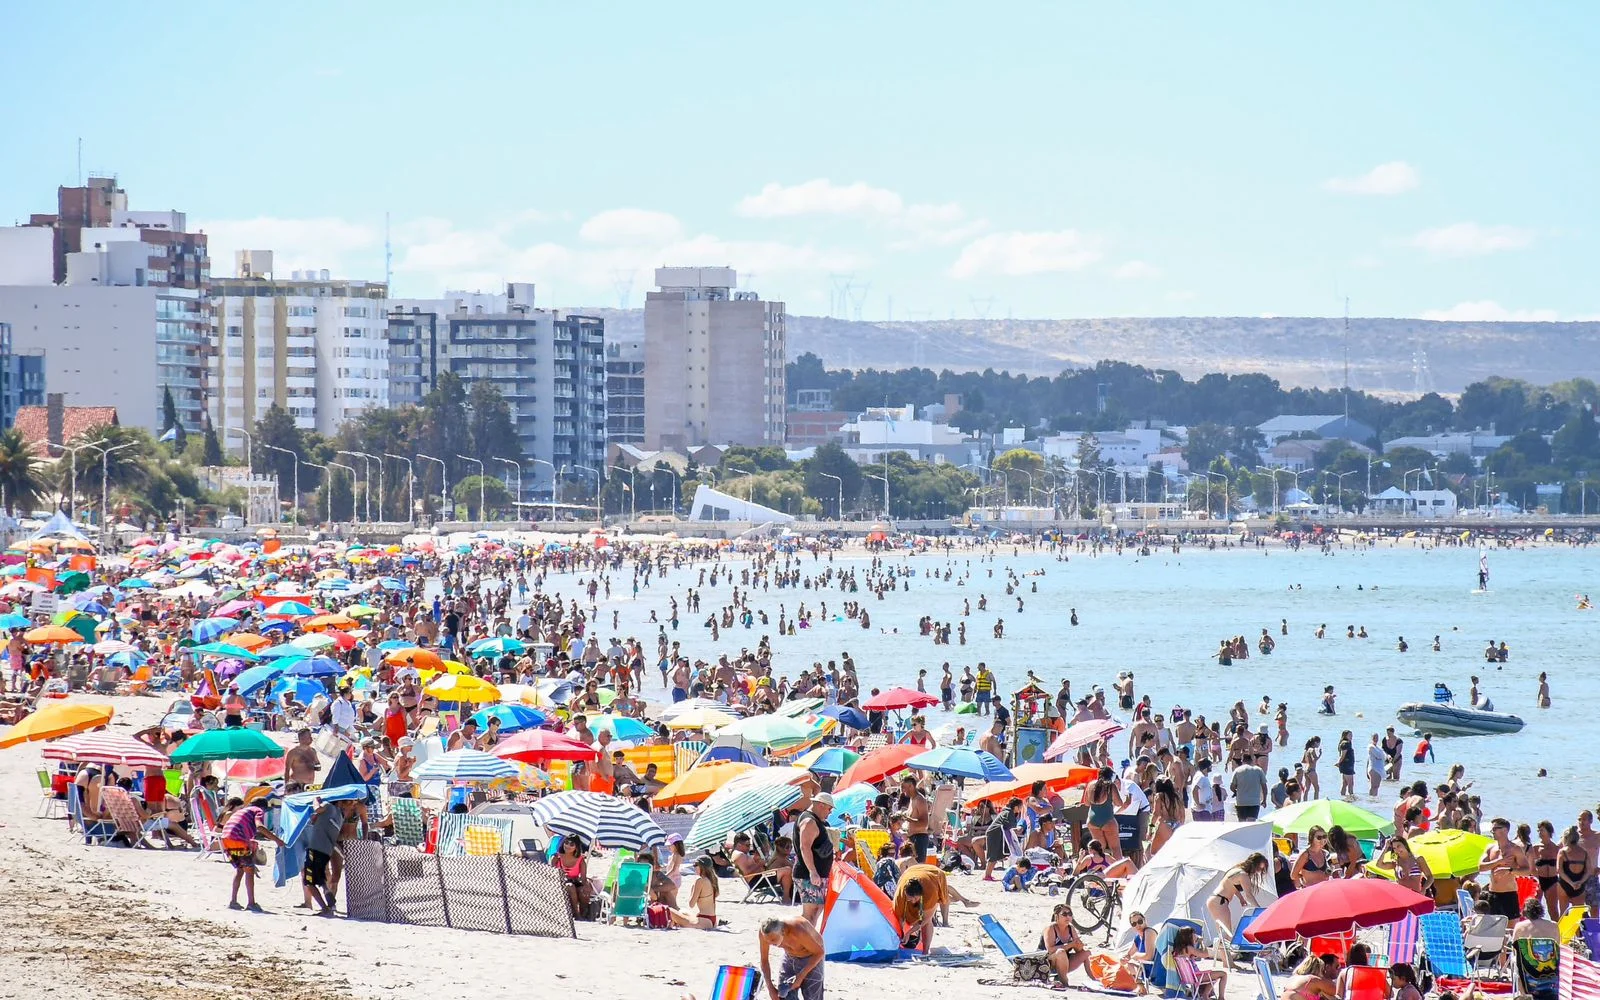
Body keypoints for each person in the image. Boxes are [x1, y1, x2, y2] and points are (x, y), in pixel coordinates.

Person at [218, 795, 284, 912]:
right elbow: (260, 826)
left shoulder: (242, 811)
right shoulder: (257, 810)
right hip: (238, 838)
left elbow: (240, 826)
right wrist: (277, 840)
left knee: (239, 870)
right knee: (249, 871)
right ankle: (251, 903)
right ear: (263, 808)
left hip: (226, 839)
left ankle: (233, 901)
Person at [892, 861, 977, 951]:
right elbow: (900, 917)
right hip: (911, 872)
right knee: (910, 910)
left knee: (935, 910)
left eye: (915, 899)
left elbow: (924, 919)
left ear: (921, 895)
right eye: (909, 899)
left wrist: (909, 932)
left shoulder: (929, 892)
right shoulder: (900, 896)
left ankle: (926, 951)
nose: (912, 901)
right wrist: (900, 934)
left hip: (935, 874)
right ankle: (960, 899)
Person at [1206, 852, 1268, 945]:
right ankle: (1225, 957)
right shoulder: (1243, 875)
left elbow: (1231, 885)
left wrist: (1240, 898)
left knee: (1224, 934)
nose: (1259, 871)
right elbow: (1249, 895)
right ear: (1254, 865)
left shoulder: (1236, 870)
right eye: (1259, 868)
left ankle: (1224, 956)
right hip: (1220, 901)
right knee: (1227, 935)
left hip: (1216, 900)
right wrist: (1259, 909)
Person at [759, 915, 825, 1000]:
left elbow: (819, 953)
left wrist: (800, 977)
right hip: (790, 955)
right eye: (767, 941)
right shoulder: (764, 934)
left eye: (773, 940)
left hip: (812, 955)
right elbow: (764, 961)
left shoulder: (797, 930)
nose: (770, 943)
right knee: (783, 994)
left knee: (812, 996)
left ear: (783, 932)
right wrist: (770, 988)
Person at [794, 792, 835, 924]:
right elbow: (804, 847)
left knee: (816, 910)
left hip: (816, 873)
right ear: (821, 805)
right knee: (810, 914)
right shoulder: (809, 821)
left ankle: (806, 942)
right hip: (808, 874)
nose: (830, 813)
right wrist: (813, 871)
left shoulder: (815, 821)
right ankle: (802, 942)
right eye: (829, 809)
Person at [301, 797, 346, 915]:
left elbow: (317, 808)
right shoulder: (340, 816)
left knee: (309, 881)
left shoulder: (328, 806)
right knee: (319, 876)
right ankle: (326, 891)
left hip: (316, 848)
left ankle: (325, 908)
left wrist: (315, 800)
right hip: (327, 850)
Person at [1479, 817, 1529, 920]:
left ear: (1505, 830)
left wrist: (1510, 870)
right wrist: (1498, 862)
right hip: (1493, 893)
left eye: (1494, 829)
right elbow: (1480, 867)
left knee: (1510, 929)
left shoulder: (1515, 849)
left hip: (1509, 894)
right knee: (1493, 929)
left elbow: (1527, 870)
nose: (1492, 832)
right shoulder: (1490, 848)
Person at [1167, 926, 1228, 999]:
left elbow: (1194, 957)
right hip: (1196, 977)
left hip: (1186, 977)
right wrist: (1202, 942)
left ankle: (1205, 995)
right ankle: (1221, 997)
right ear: (1189, 936)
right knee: (1223, 974)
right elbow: (1205, 954)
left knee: (1212, 974)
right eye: (1194, 934)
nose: (1195, 935)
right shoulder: (1189, 948)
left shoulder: (1177, 950)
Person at [1042, 902, 1090, 986]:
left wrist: (1078, 945)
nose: (1068, 916)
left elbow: (1079, 950)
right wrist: (1070, 945)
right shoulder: (1050, 928)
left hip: (1064, 962)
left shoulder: (1071, 928)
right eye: (1064, 914)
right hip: (1046, 962)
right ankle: (1064, 981)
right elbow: (1050, 950)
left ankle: (1094, 979)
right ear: (1057, 916)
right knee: (1060, 952)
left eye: (1070, 914)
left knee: (1086, 953)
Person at [667, 856, 720, 929]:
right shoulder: (713, 879)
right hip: (712, 919)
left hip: (703, 921)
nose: (694, 867)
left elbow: (691, 904)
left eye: (695, 865)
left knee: (669, 910)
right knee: (682, 911)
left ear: (701, 866)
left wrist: (693, 888)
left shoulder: (700, 881)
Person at [555, 835, 593, 919]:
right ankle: (576, 914)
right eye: (566, 842)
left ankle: (583, 913)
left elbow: (583, 878)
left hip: (574, 881)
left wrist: (586, 885)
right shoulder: (557, 857)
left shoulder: (580, 860)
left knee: (583, 890)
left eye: (571, 844)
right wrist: (561, 876)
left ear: (576, 847)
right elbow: (550, 873)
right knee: (570, 887)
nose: (568, 846)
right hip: (558, 882)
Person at [1230, 754, 1268, 821]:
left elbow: (1232, 786)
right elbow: (1264, 787)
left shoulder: (1237, 770)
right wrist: (1264, 800)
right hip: (1254, 802)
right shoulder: (1259, 770)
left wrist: (1235, 792)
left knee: (1242, 824)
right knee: (1251, 824)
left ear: (1242, 760)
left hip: (1241, 802)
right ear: (1252, 760)